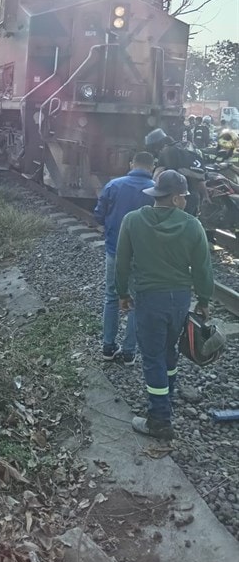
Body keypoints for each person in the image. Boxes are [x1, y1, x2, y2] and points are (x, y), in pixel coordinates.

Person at [115, 169, 214, 441]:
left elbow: (122, 263)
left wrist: (122, 293)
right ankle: (167, 397)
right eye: (183, 196)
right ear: (173, 199)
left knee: (152, 357)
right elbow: (203, 270)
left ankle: (159, 419)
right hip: (179, 299)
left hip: (149, 298)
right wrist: (204, 300)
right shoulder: (192, 225)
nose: (185, 200)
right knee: (169, 350)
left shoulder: (133, 221)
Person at [94, 152, 155, 365]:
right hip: (144, 256)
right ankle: (129, 352)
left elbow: (99, 214)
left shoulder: (114, 185)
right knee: (137, 302)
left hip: (115, 250)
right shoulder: (157, 190)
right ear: (152, 167)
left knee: (111, 297)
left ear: (131, 164)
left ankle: (108, 347)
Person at [145, 128, 207, 217]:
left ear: (157, 145)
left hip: (175, 198)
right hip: (194, 196)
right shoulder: (187, 148)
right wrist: (205, 196)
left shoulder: (166, 151)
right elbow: (201, 180)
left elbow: (157, 175)